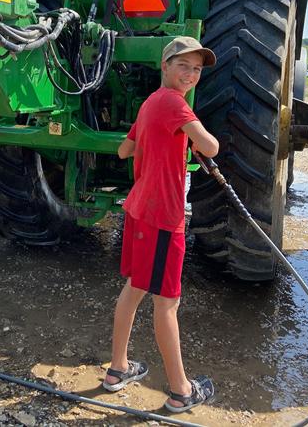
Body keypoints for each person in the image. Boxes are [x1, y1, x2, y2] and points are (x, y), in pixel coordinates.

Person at [102, 36, 219, 413]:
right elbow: (212, 147)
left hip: (139, 207)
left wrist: (159, 146)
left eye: (197, 69)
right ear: (165, 66)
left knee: (134, 288)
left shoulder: (151, 103)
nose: (190, 74)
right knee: (167, 304)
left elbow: (124, 148)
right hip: (163, 216)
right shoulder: (174, 104)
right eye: (183, 65)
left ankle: (118, 370)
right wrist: (190, 136)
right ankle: (181, 391)